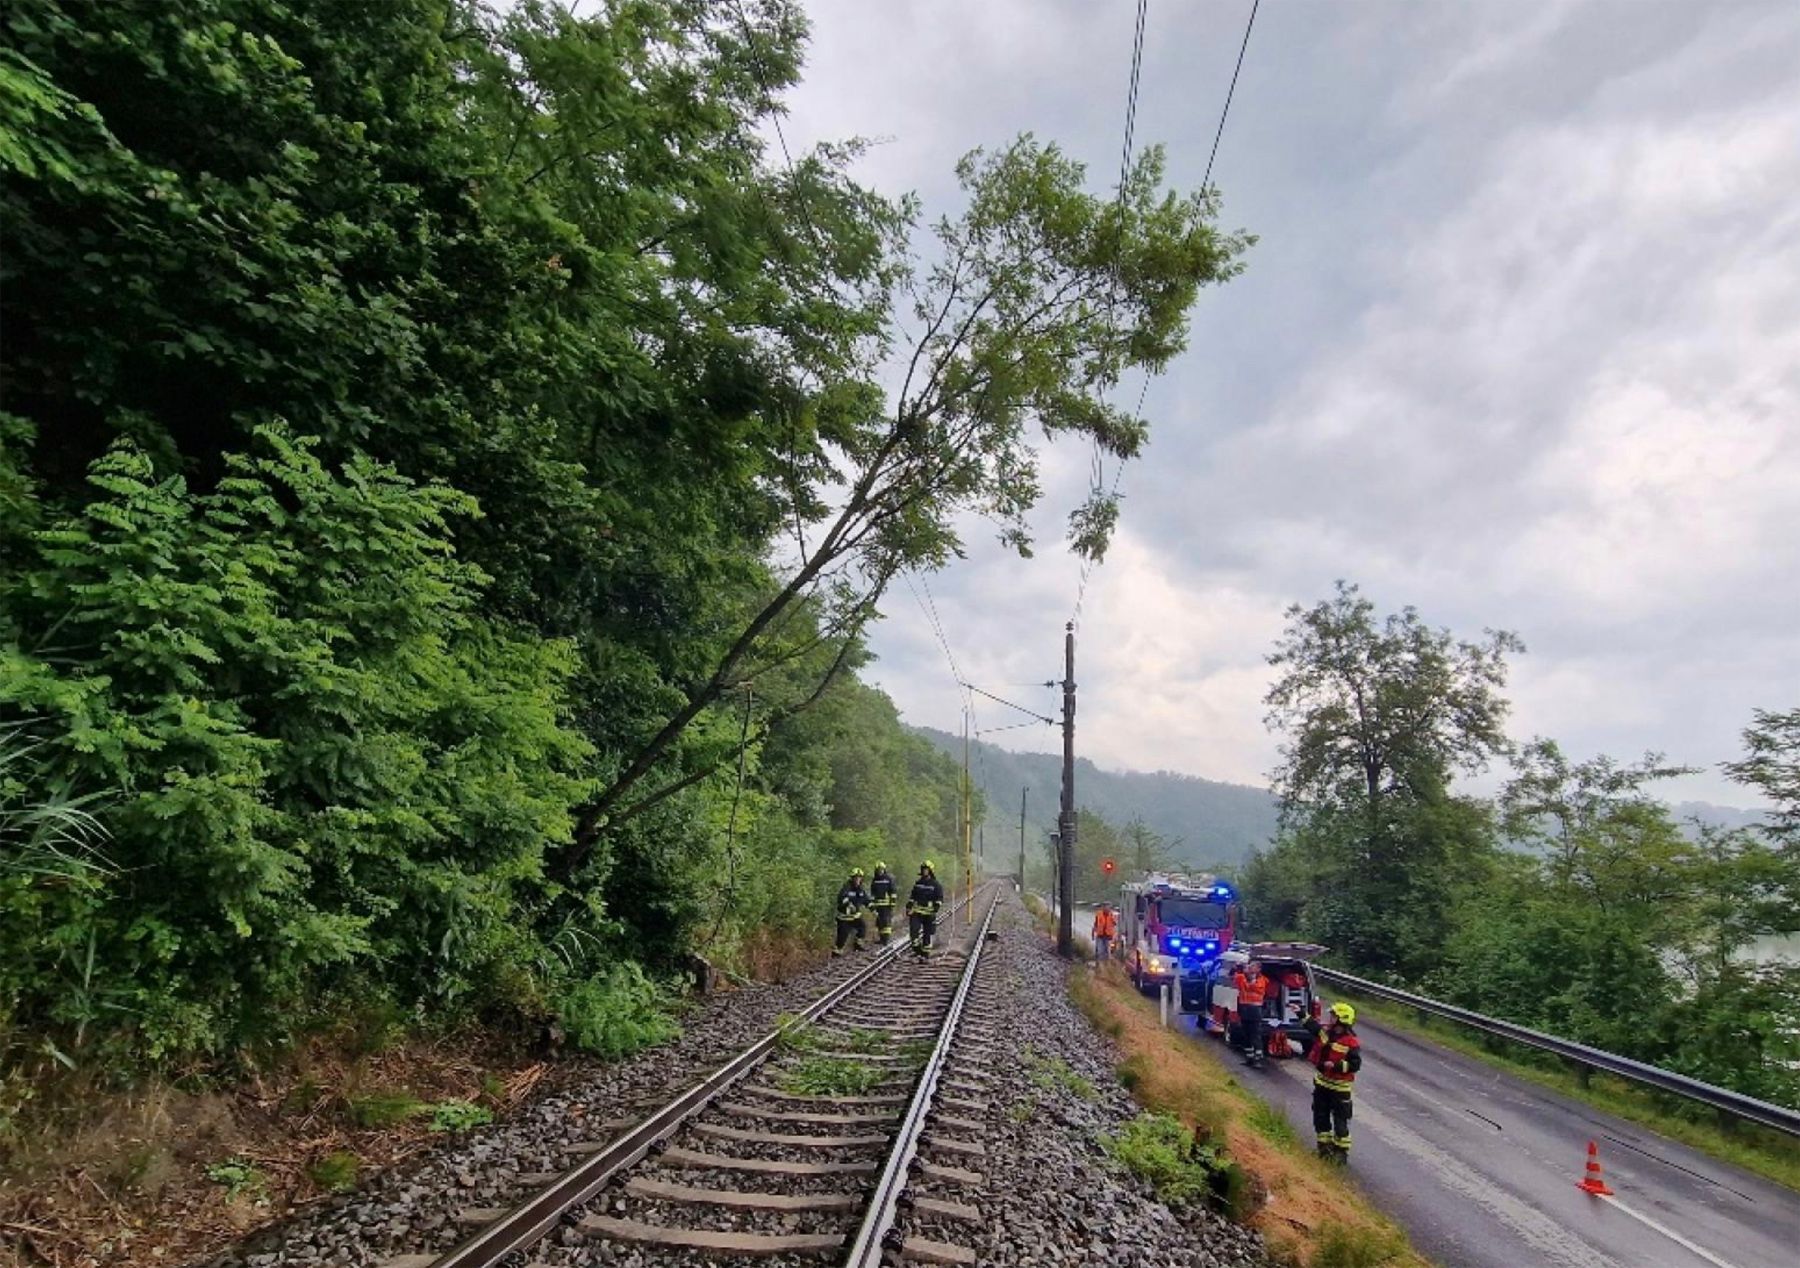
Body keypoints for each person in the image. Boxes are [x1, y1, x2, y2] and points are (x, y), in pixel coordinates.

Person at [1306, 1002, 1362, 1162]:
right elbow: (1314, 1028)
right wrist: (1301, 1013)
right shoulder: (1327, 1033)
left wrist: (1336, 1066)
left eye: (1333, 1016)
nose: (1330, 1018)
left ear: (1341, 1020)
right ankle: (1324, 1148)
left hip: (1339, 1090)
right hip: (1322, 1085)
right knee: (1320, 1117)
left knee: (1340, 1122)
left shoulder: (1351, 1043)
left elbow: (1355, 1065)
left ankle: (1341, 1152)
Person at [1233, 959, 1269, 1066]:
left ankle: (1258, 1059)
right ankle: (1249, 1058)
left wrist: (1248, 977)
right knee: (1246, 1035)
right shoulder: (1242, 977)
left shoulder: (1263, 980)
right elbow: (1233, 977)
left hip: (1255, 1011)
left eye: (1253, 966)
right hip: (1244, 1009)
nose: (1250, 967)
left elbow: (1254, 987)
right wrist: (1237, 967)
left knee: (1255, 1035)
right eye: (1249, 966)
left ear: (1258, 969)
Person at [906, 860, 945, 958]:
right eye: (923, 869)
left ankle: (925, 954)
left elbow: (940, 898)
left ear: (930, 871)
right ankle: (917, 949)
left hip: (929, 913)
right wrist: (909, 906)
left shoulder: (936, 884)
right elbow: (912, 897)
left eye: (926, 870)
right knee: (914, 932)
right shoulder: (918, 883)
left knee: (927, 934)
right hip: (917, 912)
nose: (924, 871)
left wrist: (936, 907)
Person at [833, 867, 869, 956]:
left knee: (862, 927)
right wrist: (848, 903)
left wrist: (874, 909)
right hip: (844, 917)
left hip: (855, 917)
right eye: (856, 878)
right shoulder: (846, 887)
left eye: (859, 878)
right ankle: (837, 951)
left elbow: (866, 900)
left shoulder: (861, 889)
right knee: (843, 935)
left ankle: (858, 944)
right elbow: (841, 899)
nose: (858, 880)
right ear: (852, 878)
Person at [869, 862, 898, 944]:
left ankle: (886, 940)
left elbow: (893, 891)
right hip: (878, 905)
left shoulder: (888, 879)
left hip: (886, 904)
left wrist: (892, 903)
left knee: (886, 922)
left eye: (881, 869)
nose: (880, 871)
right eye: (878, 870)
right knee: (879, 922)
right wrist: (872, 905)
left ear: (884, 870)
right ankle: (882, 939)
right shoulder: (875, 880)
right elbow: (872, 893)